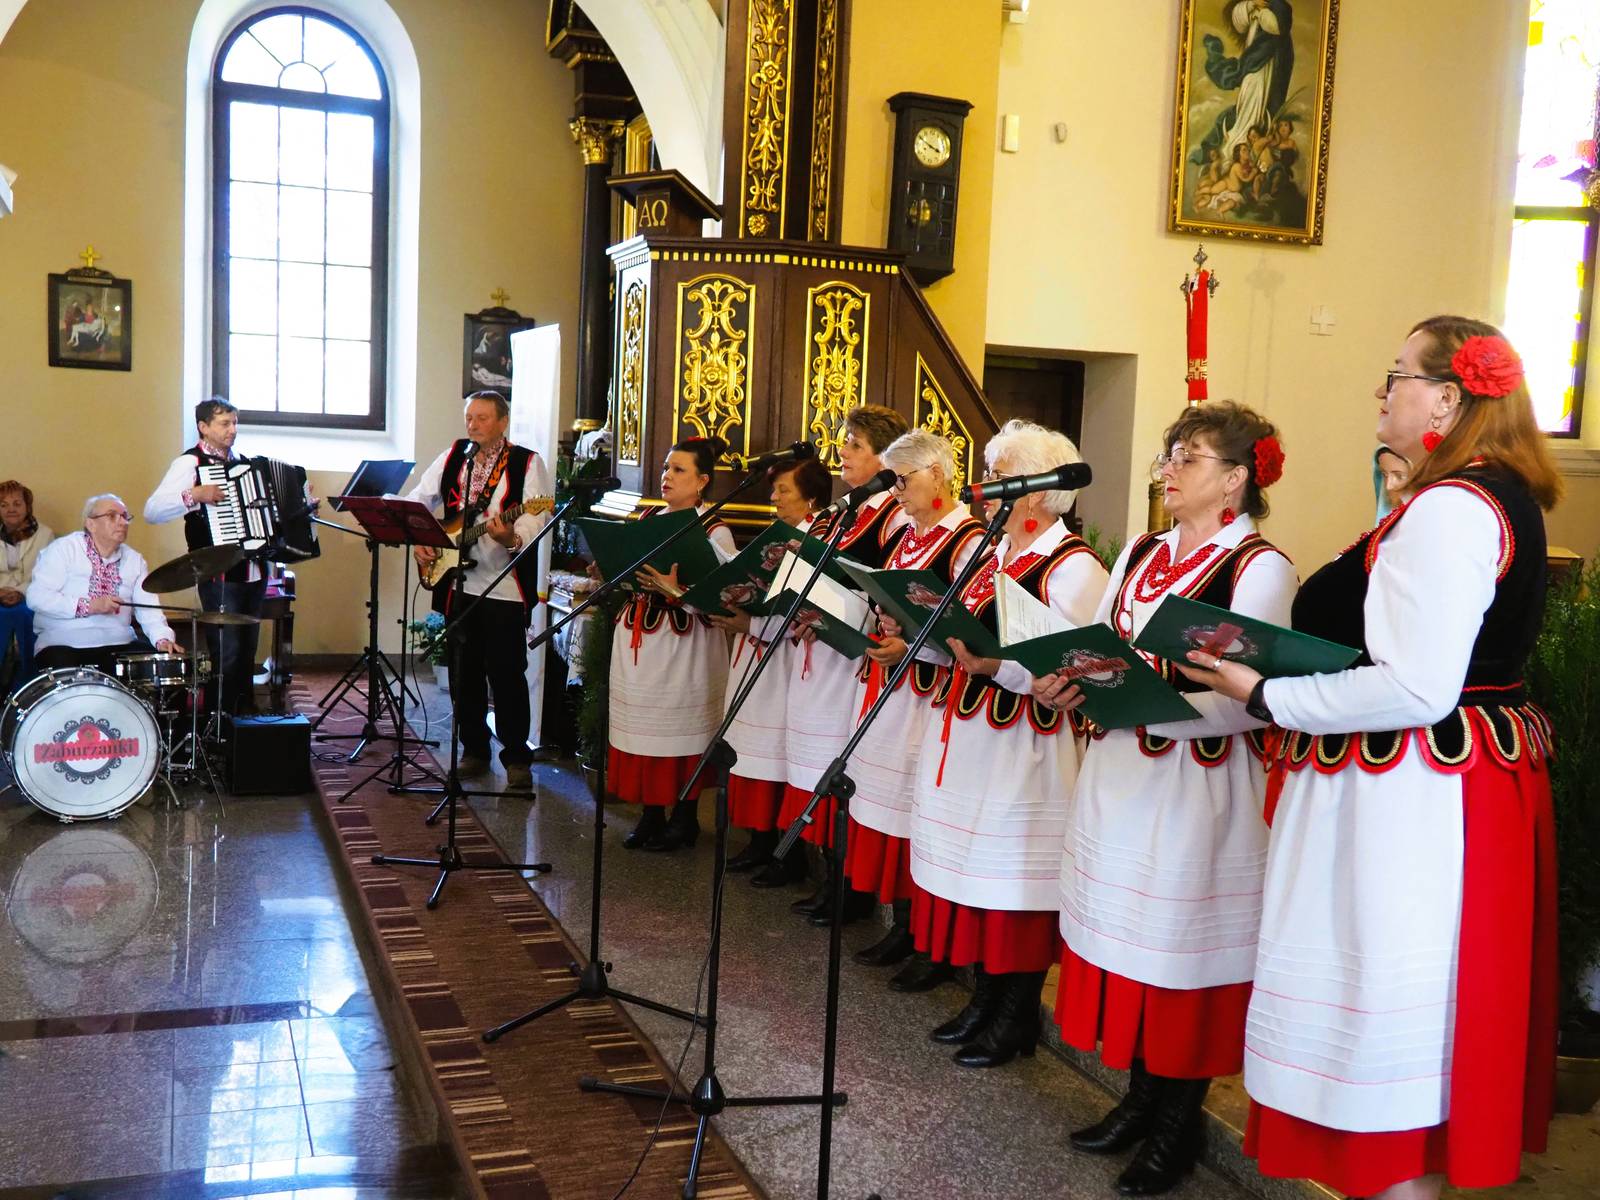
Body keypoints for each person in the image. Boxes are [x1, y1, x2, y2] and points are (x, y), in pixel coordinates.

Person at [1186, 319, 1562, 1200]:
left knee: (1385, 1028)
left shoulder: (1453, 507)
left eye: (1397, 375)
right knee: (1397, 1028)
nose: (1381, 393)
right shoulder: (1477, 495)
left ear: (1445, 399)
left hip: (1412, 797)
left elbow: (1417, 687)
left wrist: (1265, 693)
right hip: (1438, 782)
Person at [1039, 400, 1296, 1195]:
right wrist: (1067, 681)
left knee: (1180, 955)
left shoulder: (1259, 567)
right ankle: (1140, 1101)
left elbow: (1252, 699)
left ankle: (1176, 1126)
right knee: (1130, 945)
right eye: (1170, 455)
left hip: (1198, 791)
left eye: (1189, 457)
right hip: (1121, 777)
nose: (1169, 470)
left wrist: (1145, 707)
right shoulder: (1143, 550)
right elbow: (1100, 646)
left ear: (1236, 478)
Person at [904, 420, 1107, 1066]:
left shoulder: (1075, 567)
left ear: (1037, 491)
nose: (986, 485)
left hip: (1028, 747)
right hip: (975, 736)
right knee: (978, 873)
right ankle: (985, 1001)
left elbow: (1077, 668)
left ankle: (1015, 1016)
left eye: (1000, 475)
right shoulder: (991, 553)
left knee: (1016, 884)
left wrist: (1000, 668)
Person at [841, 430, 986, 955]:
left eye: (904, 479)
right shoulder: (906, 534)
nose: (896, 490)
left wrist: (912, 645)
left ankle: (916, 932)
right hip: (891, 684)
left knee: (911, 808)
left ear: (938, 475)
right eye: (893, 481)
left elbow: (969, 632)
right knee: (885, 801)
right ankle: (898, 921)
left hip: (928, 694)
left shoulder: (967, 539)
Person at [767, 404, 911, 894]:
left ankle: (846, 887)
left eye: (855, 444)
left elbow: (883, 589)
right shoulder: (846, 511)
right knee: (813, 761)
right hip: (821, 650)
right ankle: (824, 873)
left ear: (885, 459)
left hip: (852, 660)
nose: (843, 452)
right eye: (845, 441)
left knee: (839, 764)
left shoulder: (892, 516)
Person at [408, 390, 552, 787]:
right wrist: (420, 537)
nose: (473, 425)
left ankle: (517, 757)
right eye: (469, 417)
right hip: (458, 585)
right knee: (463, 673)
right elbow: (418, 500)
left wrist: (510, 537)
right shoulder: (455, 455)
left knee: (507, 673)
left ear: (503, 422)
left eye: (482, 418)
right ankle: (474, 750)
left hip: (504, 587)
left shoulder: (527, 463)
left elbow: (536, 518)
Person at [608, 435, 738, 851]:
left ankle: (684, 818)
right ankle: (651, 814)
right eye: (666, 467)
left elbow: (725, 598)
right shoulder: (649, 519)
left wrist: (676, 589)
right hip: (642, 642)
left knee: (682, 734)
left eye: (679, 470)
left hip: (686, 646)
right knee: (644, 731)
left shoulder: (715, 530)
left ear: (702, 481)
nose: (667, 475)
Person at [710, 456, 834, 873]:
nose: (774, 497)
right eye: (773, 489)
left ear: (811, 498)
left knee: (775, 756)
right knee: (748, 751)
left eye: (784, 490)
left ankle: (785, 852)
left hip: (783, 660)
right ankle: (759, 841)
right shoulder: (780, 534)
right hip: (754, 650)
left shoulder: (815, 541)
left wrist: (751, 623)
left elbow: (805, 610)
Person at [145, 398, 268, 716]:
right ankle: (220, 721)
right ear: (203, 427)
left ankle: (244, 720)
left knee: (247, 652)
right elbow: (152, 510)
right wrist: (194, 495)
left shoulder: (245, 464)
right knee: (227, 653)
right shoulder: (190, 464)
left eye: (235, 423)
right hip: (219, 572)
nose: (233, 430)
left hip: (254, 570)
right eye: (225, 424)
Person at [28, 494, 176, 673]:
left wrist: (162, 639)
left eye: (125, 516)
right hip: (64, 641)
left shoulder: (135, 560)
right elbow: (37, 597)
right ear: (91, 524)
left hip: (118, 642)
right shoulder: (64, 549)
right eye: (112, 516)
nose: (122, 522)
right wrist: (90, 606)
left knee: (163, 666)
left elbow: (149, 609)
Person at [0, 480, 52, 688]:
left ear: (27, 506)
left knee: (23, 614)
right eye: (4, 505)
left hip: (31, 596)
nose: (11, 509)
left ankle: (27, 682)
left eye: (17, 503)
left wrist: (20, 592)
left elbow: (46, 575)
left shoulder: (45, 534)